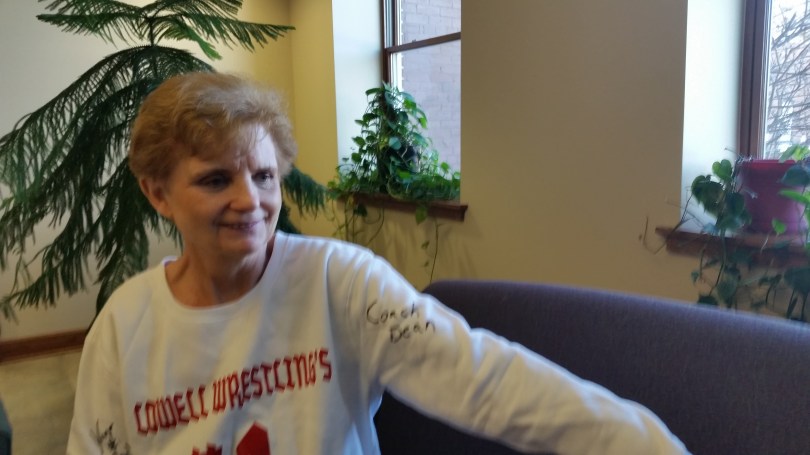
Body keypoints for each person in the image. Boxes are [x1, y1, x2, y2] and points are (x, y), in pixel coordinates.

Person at [66, 71, 689, 455]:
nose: (250, 201)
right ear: (158, 192)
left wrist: (643, 443)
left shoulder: (340, 283)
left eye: (264, 175)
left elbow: (482, 377)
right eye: (215, 179)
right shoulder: (125, 326)